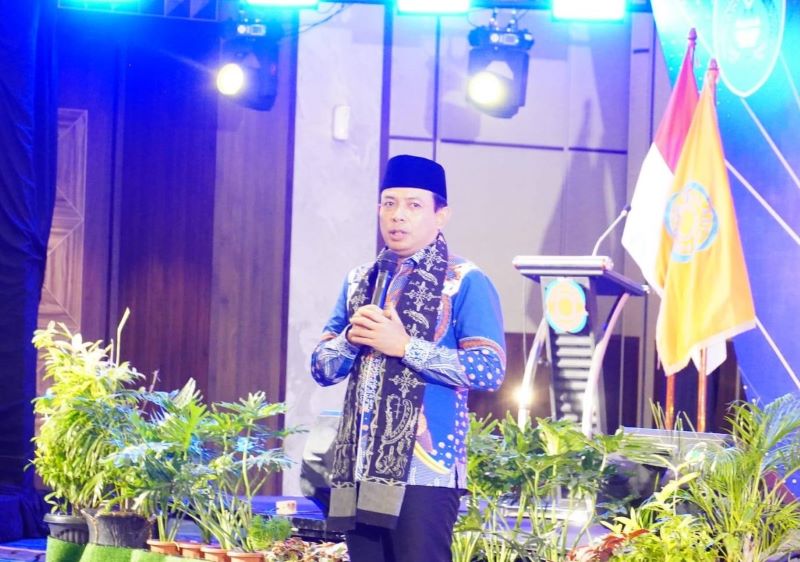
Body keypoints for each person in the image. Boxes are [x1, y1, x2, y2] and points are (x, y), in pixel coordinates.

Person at [310, 154, 506, 562]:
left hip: (425, 472)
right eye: (389, 203)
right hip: (357, 466)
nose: (398, 215)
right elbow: (323, 368)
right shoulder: (360, 279)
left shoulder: (465, 281)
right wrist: (350, 338)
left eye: (414, 205)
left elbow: (489, 370)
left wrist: (405, 346)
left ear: (441, 215)